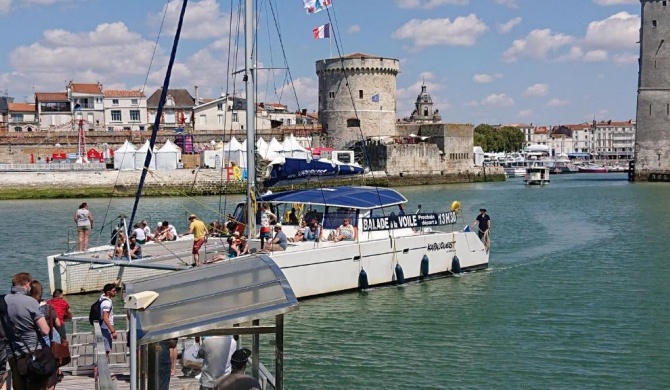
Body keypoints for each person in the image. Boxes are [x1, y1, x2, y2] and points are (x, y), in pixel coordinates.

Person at [3, 272, 52, 390]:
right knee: (39, 382)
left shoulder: (3, 300)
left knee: (18, 384)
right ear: (28, 284)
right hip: (33, 351)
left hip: (12, 351)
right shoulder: (30, 302)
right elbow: (45, 330)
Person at [99, 282, 118, 356]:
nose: (115, 292)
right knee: (106, 350)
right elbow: (105, 318)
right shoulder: (106, 303)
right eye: (113, 291)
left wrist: (114, 284)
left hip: (104, 327)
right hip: (105, 328)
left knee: (106, 348)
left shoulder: (102, 297)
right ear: (108, 292)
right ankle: (101, 366)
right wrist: (113, 331)